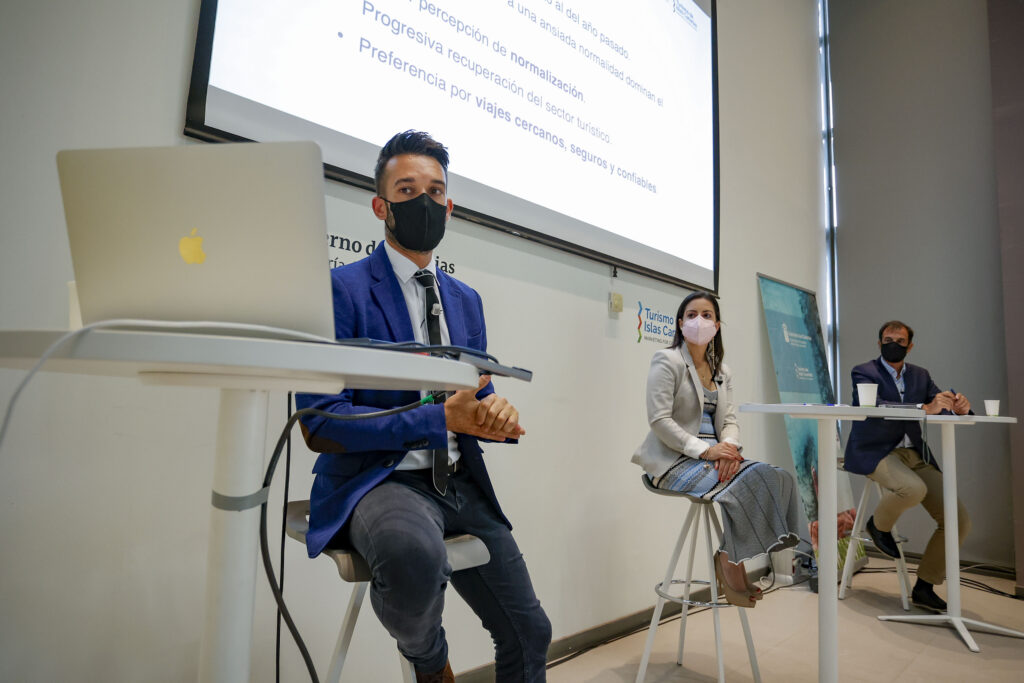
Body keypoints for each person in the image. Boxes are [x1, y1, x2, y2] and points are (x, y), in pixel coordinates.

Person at [295, 131, 551, 683]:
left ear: (449, 207)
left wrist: (493, 415)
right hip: (380, 481)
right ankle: (431, 662)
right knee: (412, 560)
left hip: (458, 481)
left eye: (435, 191)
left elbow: (470, 396)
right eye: (408, 190)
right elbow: (319, 422)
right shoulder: (339, 291)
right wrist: (438, 419)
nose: (425, 202)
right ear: (380, 206)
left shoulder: (466, 301)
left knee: (530, 632)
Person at [632, 291, 801, 607]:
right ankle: (731, 563)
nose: (699, 320)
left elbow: (730, 421)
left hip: (717, 456)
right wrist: (706, 452)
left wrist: (729, 449)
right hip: (675, 460)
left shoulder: (722, 370)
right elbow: (659, 420)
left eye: (707, 315)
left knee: (779, 477)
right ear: (680, 323)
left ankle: (729, 553)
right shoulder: (667, 360)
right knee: (751, 481)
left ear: (717, 325)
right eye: (691, 315)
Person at [844, 320, 972, 612]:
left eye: (900, 341)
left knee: (958, 520)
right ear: (879, 343)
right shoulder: (864, 371)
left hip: (915, 453)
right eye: (888, 340)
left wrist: (958, 407)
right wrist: (922, 408)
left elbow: (938, 404)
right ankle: (877, 526)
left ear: (910, 346)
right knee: (913, 489)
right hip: (877, 451)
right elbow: (875, 405)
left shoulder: (920, 375)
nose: (894, 345)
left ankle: (925, 586)